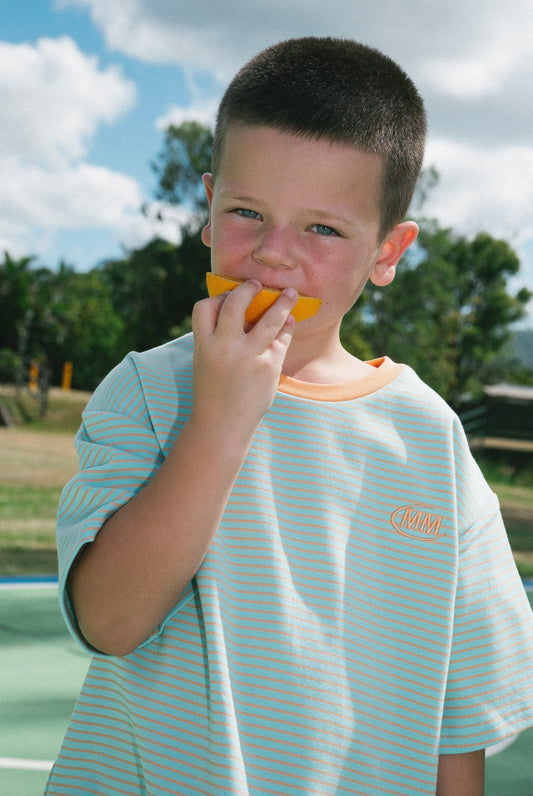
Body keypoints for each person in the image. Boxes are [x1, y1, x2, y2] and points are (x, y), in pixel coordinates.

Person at [45, 37, 533, 796]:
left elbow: (457, 726)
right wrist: (219, 422)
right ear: (209, 210)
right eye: (247, 212)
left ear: (388, 251)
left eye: (322, 229)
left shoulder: (432, 441)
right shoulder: (149, 390)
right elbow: (110, 620)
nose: (273, 255)